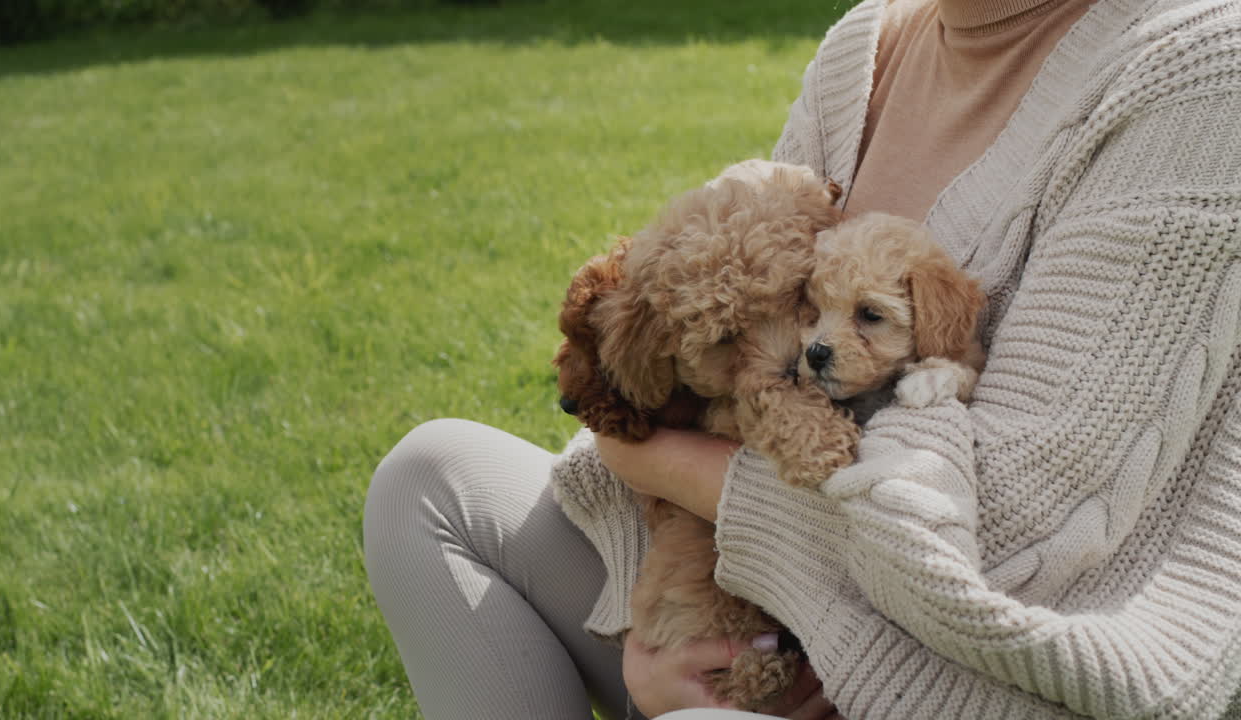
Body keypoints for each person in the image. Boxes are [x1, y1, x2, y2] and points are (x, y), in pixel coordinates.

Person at [363, 0, 1241, 717]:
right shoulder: (867, 46)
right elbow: (731, 365)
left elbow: (1022, 546)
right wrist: (656, 635)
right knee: (429, 480)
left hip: (972, 678)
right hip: (760, 600)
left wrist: (656, 460)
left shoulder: (1199, 68)